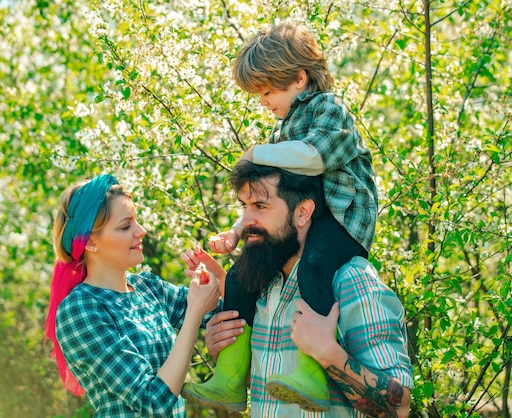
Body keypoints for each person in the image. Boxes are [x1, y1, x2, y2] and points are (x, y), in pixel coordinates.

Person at [182, 21, 378, 413]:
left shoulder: (329, 109)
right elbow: (267, 193)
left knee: (316, 268)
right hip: (305, 219)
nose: (263, 101)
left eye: (268, 90)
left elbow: (314, 157)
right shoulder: (282, 128)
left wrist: (255, 154)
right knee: (240, 276)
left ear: (300, 78)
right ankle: (231, 377)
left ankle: (310, 374)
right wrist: (238, 231)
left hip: (342, 221)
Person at [184, 161, 413, 417]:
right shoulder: (261, 287)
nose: (246, 221)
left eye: (260, 206)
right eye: (244, 207)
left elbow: (399, 407)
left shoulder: (351, 280)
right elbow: (271, 389)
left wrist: (327, 353)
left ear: (303, 212)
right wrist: (225, 353)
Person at [44, 174, 222, 417]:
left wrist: (217, 277)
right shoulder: (81, 310)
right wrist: (193, 313)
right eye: (125, 226)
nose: (141, 231)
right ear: (90, 241)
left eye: (136, 221)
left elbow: (225, 314)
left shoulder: (148, 288)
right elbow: (153, 402)